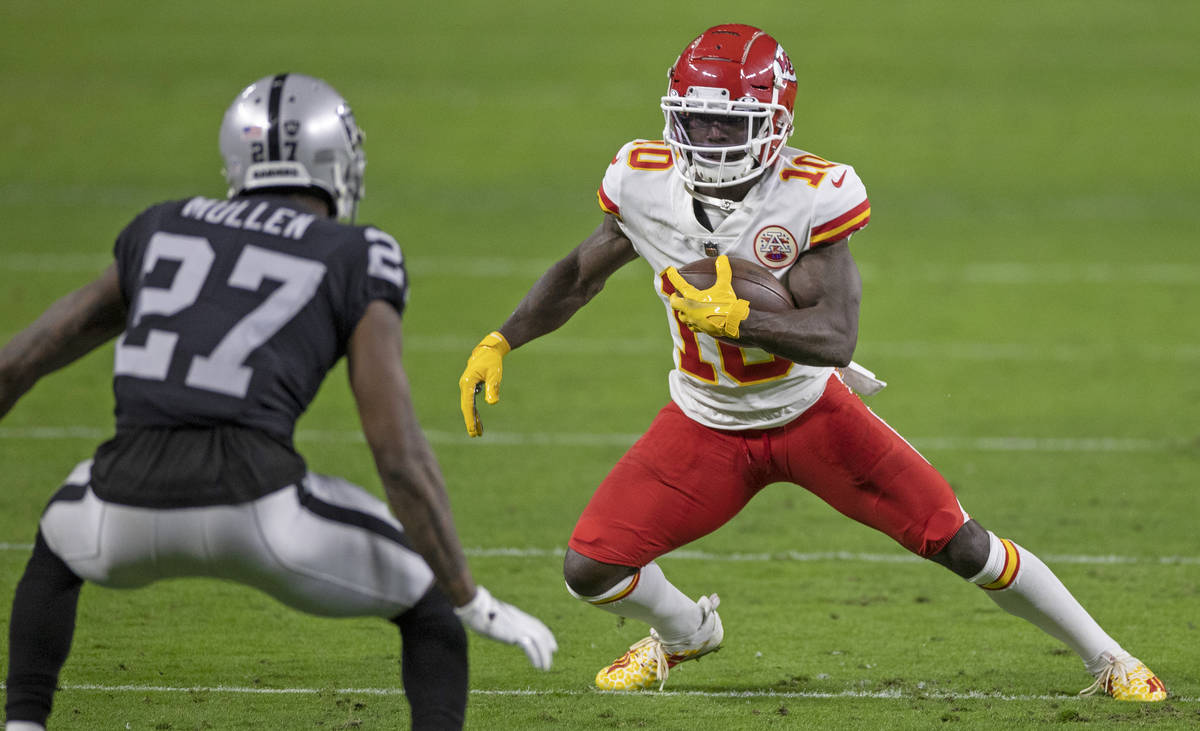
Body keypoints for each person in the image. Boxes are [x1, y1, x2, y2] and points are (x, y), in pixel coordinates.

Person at [457, 24, 1166, 701]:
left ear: (774, 121)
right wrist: (503, 338)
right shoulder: (643, 179)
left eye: (728, 124)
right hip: (704, 422)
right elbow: (580, 274)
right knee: (591, 565)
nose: (708, 137)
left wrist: (743, 319)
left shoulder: (811, 193)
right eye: (695, 119)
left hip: (809, 413)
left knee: (961, 542)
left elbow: (836, 338)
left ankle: (1110, 655)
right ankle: (685, 632)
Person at [1, 73, 556, 731]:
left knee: (56, 545)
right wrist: (471, 596)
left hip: (118, 507)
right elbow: (396, 449)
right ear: (336, 161)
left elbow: (19, 362)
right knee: (431, 599)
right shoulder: (357, 250)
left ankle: (23, 723)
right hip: (257, 506)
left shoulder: (161, 224)